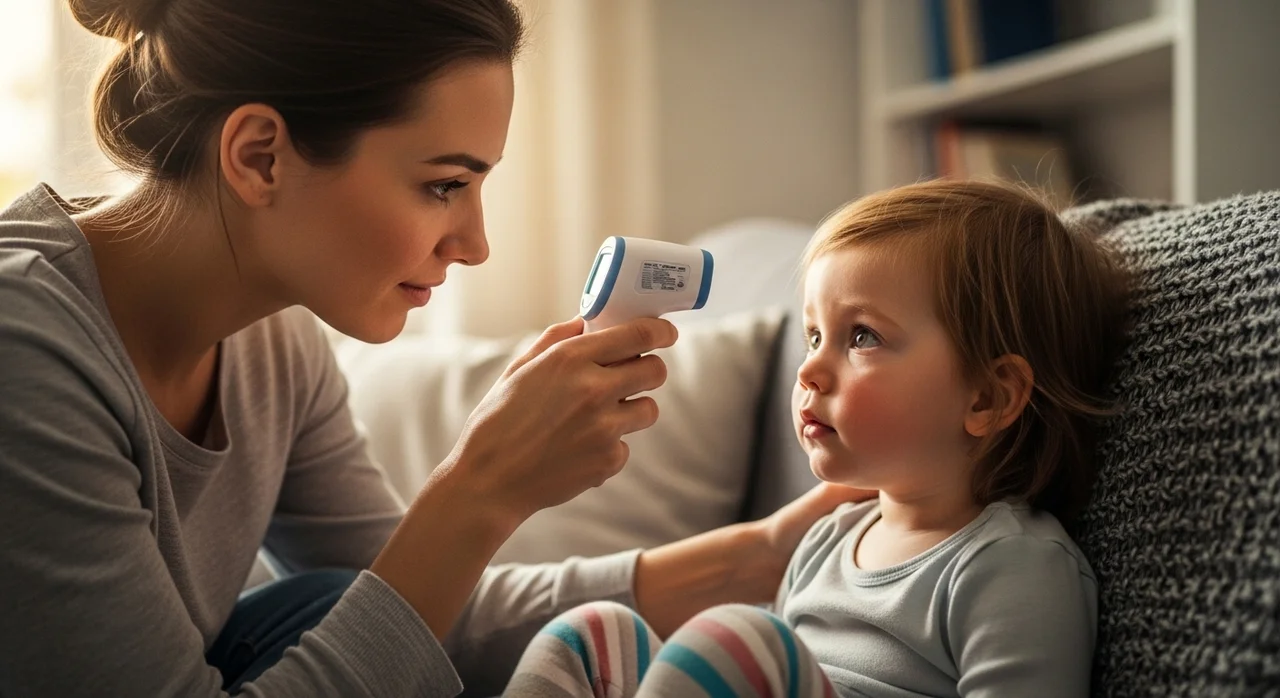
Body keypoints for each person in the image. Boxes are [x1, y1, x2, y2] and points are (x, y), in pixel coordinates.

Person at [0, 1, 869, 696]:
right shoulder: (25, 347)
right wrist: (478, 491)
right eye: (443, 185)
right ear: (260, 155)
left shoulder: (277, 340)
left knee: (330, 606)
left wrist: (759, 555)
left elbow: (425, 611)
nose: (474, 243)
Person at [504, 179, 1130, 697]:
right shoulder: (825, 542)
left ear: (987, 398)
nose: (808, 370)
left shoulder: (1011, 566)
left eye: (861, 336)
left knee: (735, 644)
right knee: (592, 634)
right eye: (812, 336)